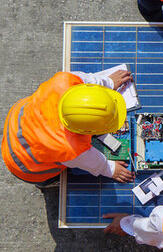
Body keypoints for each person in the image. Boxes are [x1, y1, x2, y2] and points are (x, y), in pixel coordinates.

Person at [2, 70, 136, 188]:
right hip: (24, 165)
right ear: (87, 131)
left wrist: (109, 82)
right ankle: (47, 184)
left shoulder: (65, 81)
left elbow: (89, 81)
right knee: (46, 177)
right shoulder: (69, 148)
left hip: (16, 123)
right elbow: (93, 162)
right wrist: (111, 169)